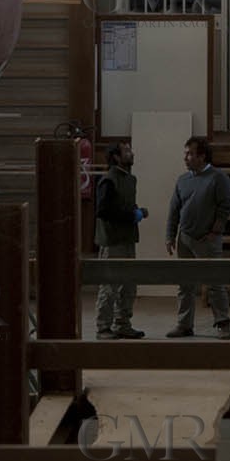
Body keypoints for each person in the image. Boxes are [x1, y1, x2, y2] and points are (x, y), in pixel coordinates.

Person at [165, 136, 230, 339]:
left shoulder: (218, 178)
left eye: (190, 154)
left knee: (215, 283)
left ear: (202, 156)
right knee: (184, 284)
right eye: (185, 153)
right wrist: (170, 236)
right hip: (185, 238)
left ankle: (222, 323)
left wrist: (215, 232)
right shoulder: (182, 180)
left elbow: (225, 206)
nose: (185, 158)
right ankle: (184, 325)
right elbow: (174, 209)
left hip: (207, 240)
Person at [94, 141, 147, 339]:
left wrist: (137, 211)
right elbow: (103, 211)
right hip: (112, 242)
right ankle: (103, 328)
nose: (131, 153)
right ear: (116, 157)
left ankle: (122, 324)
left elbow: (123, 205)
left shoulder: (131, 179)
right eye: (127, 151)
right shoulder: (108, 180)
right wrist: (131, 215)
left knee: (128, 285)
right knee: (110, 287)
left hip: (127, 239)